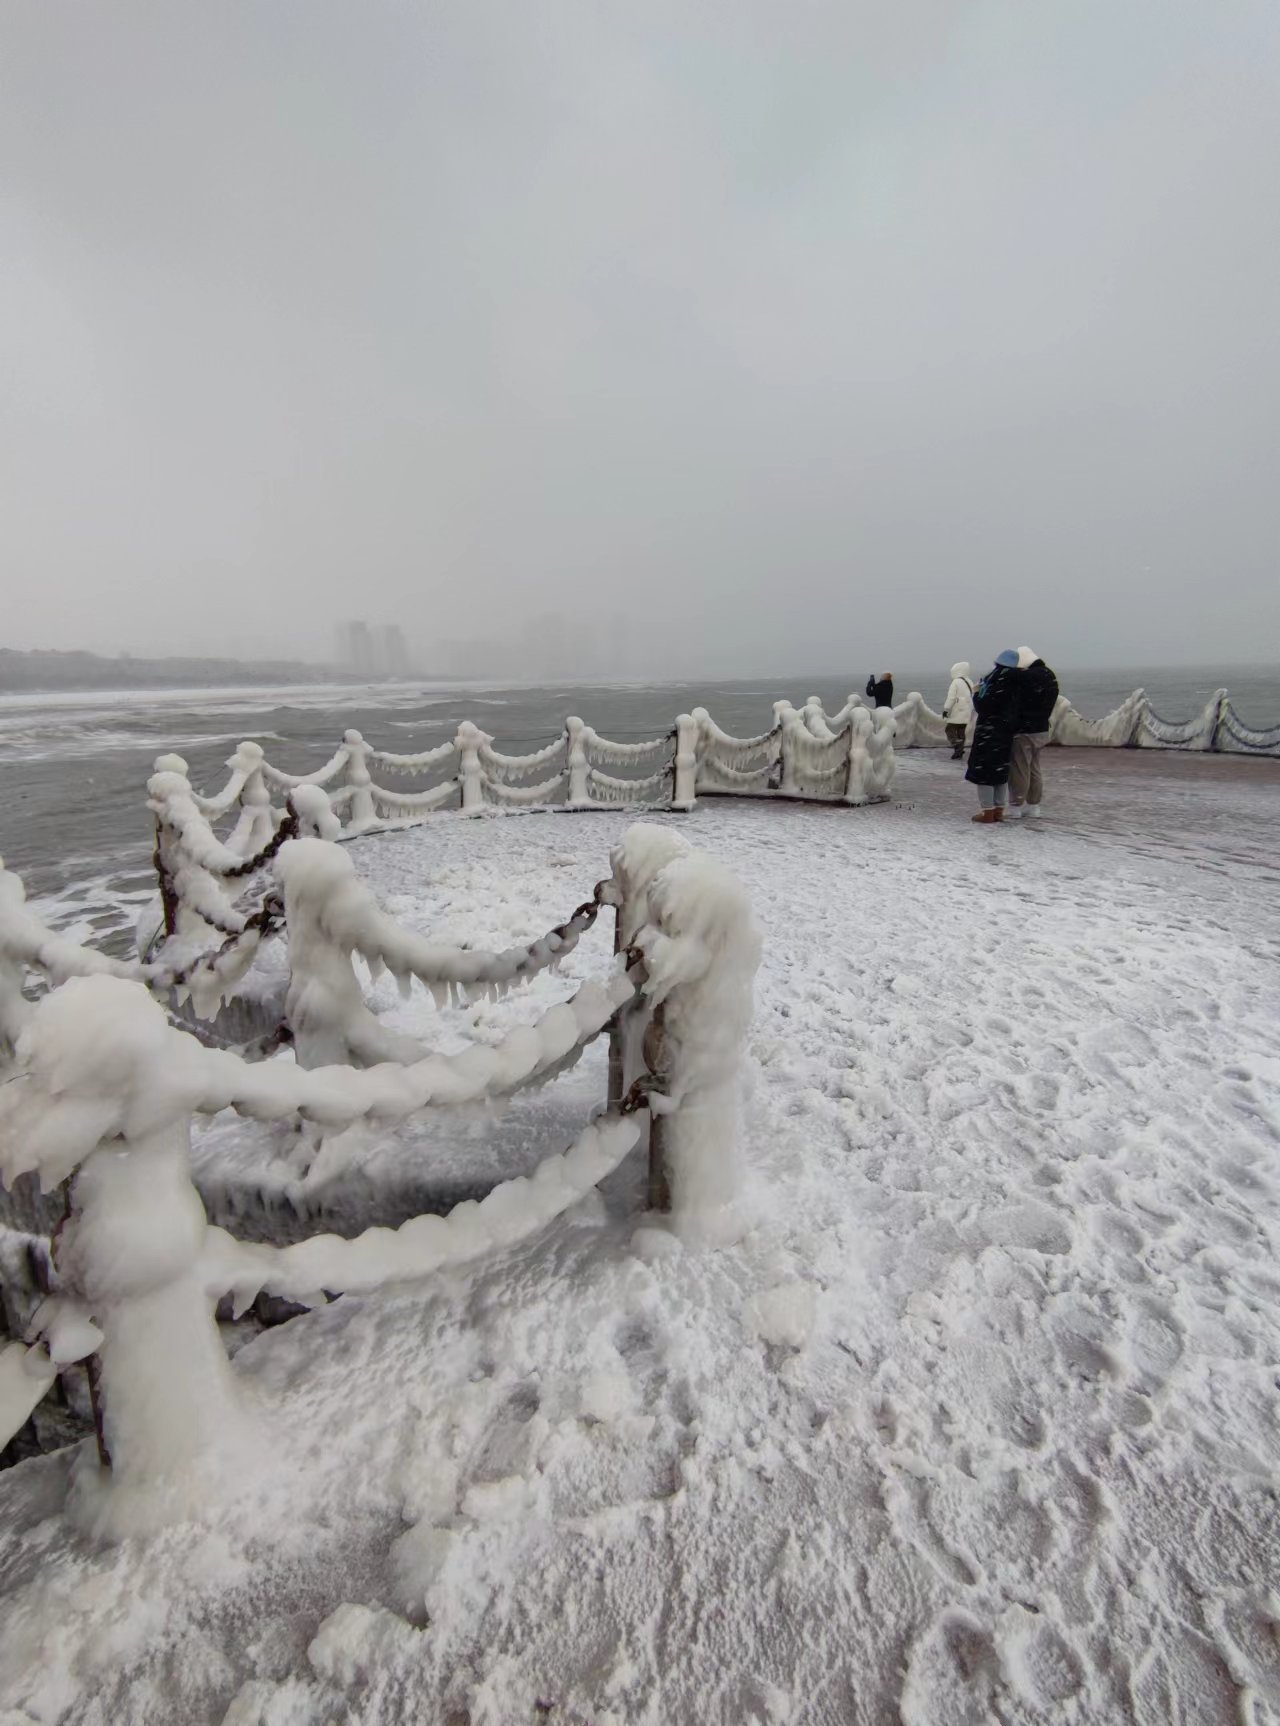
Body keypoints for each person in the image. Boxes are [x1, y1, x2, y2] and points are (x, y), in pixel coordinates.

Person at [965, 650, 1021, 823]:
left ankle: (987, 811)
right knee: (1000, 772)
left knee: (984, 772)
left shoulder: (996, 680)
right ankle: (998, 810)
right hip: (1006, 731)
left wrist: (976, 693)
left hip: (989, 731)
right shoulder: (1019, 682)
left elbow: (984, 706)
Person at [1007, 646, 1060, 819]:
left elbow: (1015, 700)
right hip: (1042, 729)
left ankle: (1016, 806)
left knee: (1019, 768)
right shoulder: (1049, 675)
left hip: (1024, 730)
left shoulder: (1025, 677)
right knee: (1034, 767)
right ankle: (1034, 805)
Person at [941, 661, 974, 759]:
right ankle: (959, 751)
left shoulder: (956, 682)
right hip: (967, 710)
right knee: (961, 731)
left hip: (957, 710)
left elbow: (951, 697)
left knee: (949, 729)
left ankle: (956, 743)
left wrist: (946, 709)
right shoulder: (969, 681)